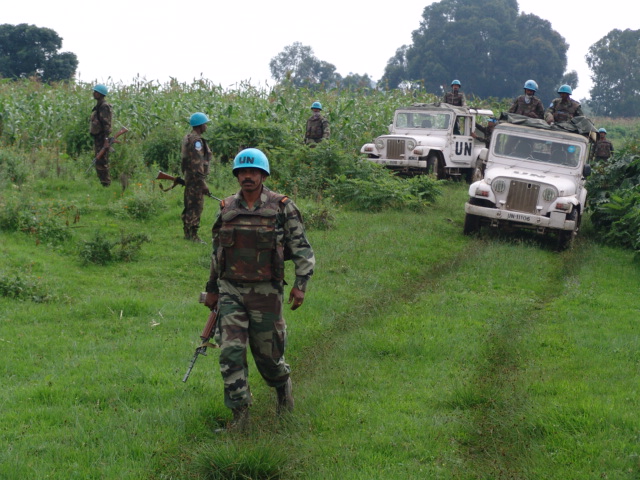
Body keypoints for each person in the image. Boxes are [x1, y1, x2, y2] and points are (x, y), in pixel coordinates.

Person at [203, 148, 316, 431]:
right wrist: (212, 288)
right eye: (242, 172)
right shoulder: (227, 207)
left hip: (267, 292)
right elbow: (218, 252)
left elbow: (302, 248)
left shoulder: (282, 206)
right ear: (237, 175)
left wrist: (300, 285)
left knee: (269, 357)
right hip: (231, 291)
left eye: (253, 172)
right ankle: (240, 420)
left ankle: (282, 390)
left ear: (263, 175)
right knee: (230, 354)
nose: (247, 176)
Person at [181, 112, 212, 242]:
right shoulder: (197, 142)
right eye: (205, 123)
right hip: (195, 180)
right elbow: (197, 163)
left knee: (189, 205)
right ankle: (193, 236)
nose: (206, 126)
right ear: (200, 125)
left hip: (190, 178)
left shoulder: (188, 138)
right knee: (195, 206)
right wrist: (202, 183)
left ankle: (188, 234)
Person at [89, 84, 113, 187]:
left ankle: (106, 184)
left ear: (100, 94)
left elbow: (106, 124)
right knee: (99, 160)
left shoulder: (104, 106)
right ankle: (103, 184)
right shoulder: (99, 105)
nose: (94, 93)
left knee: (102, 161)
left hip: (102, 137)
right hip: (98, 137)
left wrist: (106, 140)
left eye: (96, 92)